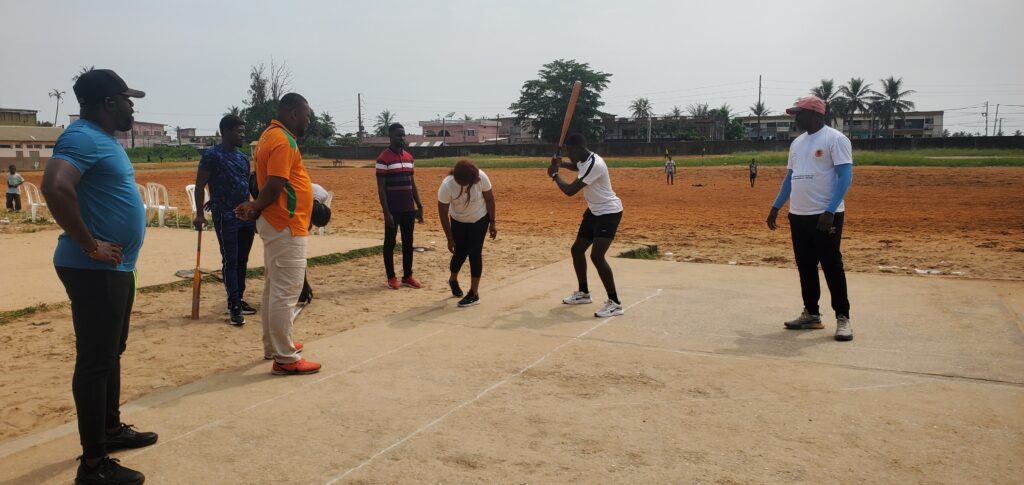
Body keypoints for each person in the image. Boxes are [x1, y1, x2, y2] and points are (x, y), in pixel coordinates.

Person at [41, 68, 156, 485]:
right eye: (127, 100)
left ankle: (110, 428)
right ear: (109, 103)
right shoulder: (82, 138)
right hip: (92, 268)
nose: (131, 108)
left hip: (115, 268)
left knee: (110, 352)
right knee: (95, 362)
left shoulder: (102, 139)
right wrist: (91, 245)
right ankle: (92, 465)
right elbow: (54, 187)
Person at [235, 93, 320, 375]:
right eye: (307, 115)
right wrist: (256, 206)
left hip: (277, 222)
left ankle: (276, 346)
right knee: (286, 292)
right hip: (286, 223)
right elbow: (275, 184)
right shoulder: (283, 140)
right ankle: (285, 358)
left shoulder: (270, 135)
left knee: (274, 289)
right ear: (294, 113)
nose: (309, 120)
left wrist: (256, 207)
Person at [766, 96, 854, 342]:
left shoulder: (835, 139)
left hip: (825, 216)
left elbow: (846, 177)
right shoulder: (797, 143)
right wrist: (776, 206)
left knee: (832, 266)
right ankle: (812, 314)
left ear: (815, 114)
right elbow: (790, 178)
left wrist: (830, 211)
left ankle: (843, 317)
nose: (796, 118)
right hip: (799, 214)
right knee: (805, 266)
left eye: (800, 113)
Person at [548, 133, 625, 318]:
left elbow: (570, 190)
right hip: (594, 211)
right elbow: (577, 166)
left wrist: (555, 175)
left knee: (597, 256)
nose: (569, 155)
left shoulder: (595, 164)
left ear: (579, 149)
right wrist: (562, 164)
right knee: (577, 250)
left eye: (570, 152)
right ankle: (583, 293)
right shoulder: (585, 159)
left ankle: (615, 303)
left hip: (609, 212)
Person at [193, 115, 257, 326]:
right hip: (226, 217)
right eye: (239, 131)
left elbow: (243, 185)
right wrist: (200, 214)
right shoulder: (212, 155)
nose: (242, 135)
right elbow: (200, 184)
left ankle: (238, 298)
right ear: (226, 132)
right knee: (230, 260)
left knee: (242, 260)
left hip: (245, 217)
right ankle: (234, 304)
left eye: (243, 131)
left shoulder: (243, 158)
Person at [437, 160, 497, 307]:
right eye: (473, 180)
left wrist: (492, 222)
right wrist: (449, 238)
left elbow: (489, 199)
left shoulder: (481, 176)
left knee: (475, 253)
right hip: (458, 220)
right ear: (462, 182)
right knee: (459, 253)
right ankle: (453, 279)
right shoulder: (447, 186)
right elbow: (443, 213)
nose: (477, 180)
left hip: (479, 219)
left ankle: (474, 293)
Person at [375, 123, 424, 290]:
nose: (402, 138)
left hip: (408, 208)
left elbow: (412, 183)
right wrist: (386, 212)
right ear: (390, 137)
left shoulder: (409, 158)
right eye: (398, 135)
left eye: (403, 135)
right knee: (390, 243)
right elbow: (381, 188)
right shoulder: (383, 159)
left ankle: (407, 276)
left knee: (408, 243)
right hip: (392, 210)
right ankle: (391, 277)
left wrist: (419, 205)